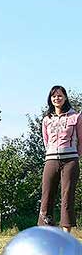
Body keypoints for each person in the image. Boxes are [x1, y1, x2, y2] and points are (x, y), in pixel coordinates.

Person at [38, 85, 82, 233]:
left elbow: (81, 140)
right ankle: (47, 232)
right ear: (50, 99)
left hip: (70, 160)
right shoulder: (46, 120)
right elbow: (46, 140)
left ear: (65, 97)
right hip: (51, 160)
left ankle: (66, 235)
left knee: (67, 196)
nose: (57, 98)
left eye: (60, 95)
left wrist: (76, 156)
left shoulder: (75, 117)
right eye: (54, 96)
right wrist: (51, 153)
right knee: (47, 195)